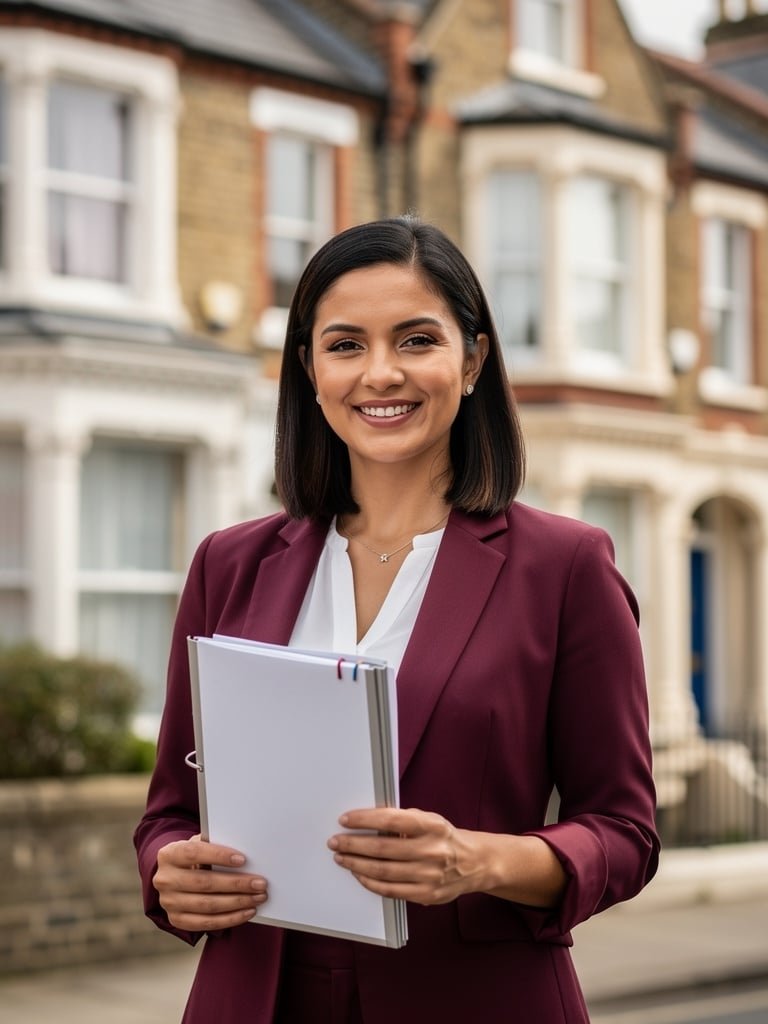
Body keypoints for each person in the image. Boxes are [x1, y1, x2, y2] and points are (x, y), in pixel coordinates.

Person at [135, 216, 659, 1024]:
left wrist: (479, 860)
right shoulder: (228, 564)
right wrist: (168, 869)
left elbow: (625, 833)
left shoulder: (565, 567)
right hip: (255, 999)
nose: (380, 374)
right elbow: (171, 809)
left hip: (473, 1001)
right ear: (309, 370)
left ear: (473, 359)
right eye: (345, 345)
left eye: (417, 341)